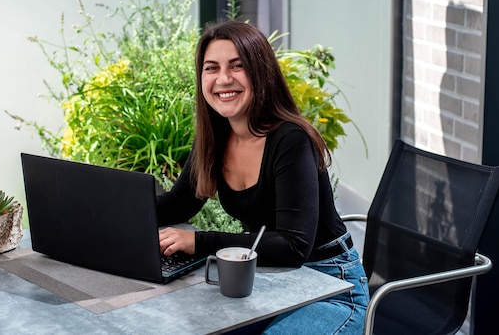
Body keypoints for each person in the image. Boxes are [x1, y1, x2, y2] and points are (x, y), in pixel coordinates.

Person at [156, 20, 369, 334]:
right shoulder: (215, 138)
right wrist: (106, 209)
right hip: (266, 280)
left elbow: (293, 246)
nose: (223, 79)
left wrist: (198, 242)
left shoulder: (291, 140)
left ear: (260, 72)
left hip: (330, 286)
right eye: (211, 68)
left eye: (237, 66)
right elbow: (177, 206)